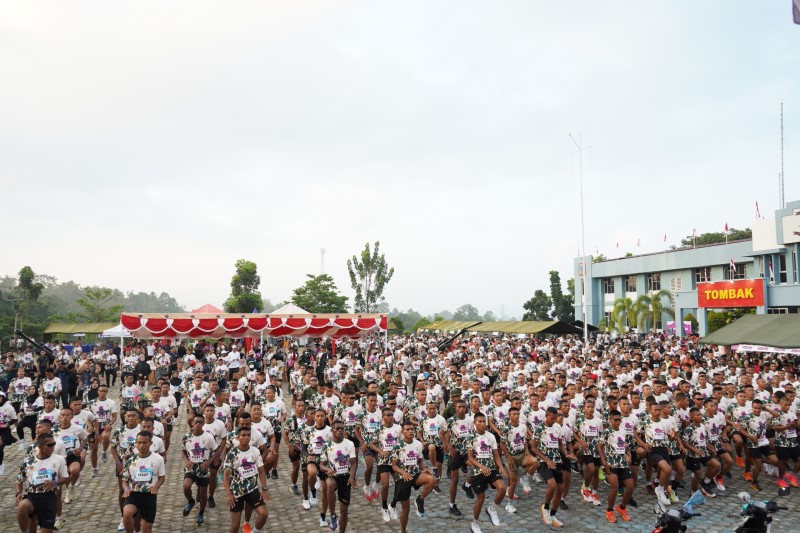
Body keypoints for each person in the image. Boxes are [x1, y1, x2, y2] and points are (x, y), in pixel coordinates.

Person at [15, 432, 69, 533]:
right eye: (50, 445)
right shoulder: (28, 462)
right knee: (22, 507)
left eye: (54, 444)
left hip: (49, 498)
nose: (53, 447)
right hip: (33, 496)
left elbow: (66, 478)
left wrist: (55, 482)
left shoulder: (59, 459)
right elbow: (19, 480)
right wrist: (18, 492)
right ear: (40, 446)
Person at [390, 421, 436, 533]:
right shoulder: (397, 446)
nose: (410, 431)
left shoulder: (418, 444)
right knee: (406, 507)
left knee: (432, 479)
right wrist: (403, 473)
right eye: (407, 429)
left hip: (415, 474)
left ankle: (420, 500)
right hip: (403, 477)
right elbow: (394, 466)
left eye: (412, 429)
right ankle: (403, 530)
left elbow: (419, 460)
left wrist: (423, 468)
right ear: (402, 432)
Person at [465, 412, 507, 533]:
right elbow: (470, 457)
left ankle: (492, 509)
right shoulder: (470, 437)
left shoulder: (491, 436)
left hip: (491, 468)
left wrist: (501, 467)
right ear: (474, 423)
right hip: (478, 471)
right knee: (481, 498)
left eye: (484, 421)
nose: (482, 424)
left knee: (502, 488)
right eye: (480, 421)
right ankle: (475, 523)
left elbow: (496, 455)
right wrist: (481, 467)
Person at [223, 426, 271, 533]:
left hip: (252, 490)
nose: (246, 438)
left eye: (248, 435)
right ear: (238, 437)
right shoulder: (231, 454)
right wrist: (228, 494)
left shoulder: (255, 451)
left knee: (264, 514)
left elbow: (262, 471)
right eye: (243, 435)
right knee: (235, 526)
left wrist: (264, 489)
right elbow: (226, 476)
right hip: (237, 492)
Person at [531, 406, 571, 528]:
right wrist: (546, 459)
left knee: (559, 489)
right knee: (552, 485)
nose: (553, 420)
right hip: (544, 461)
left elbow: (560, 444)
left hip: (556, 461)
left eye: (555, 418)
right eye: (552, 418)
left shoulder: (557, 427)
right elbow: (533, 447)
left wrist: (567, 453)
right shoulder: (539, 429)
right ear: (546, 416)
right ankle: (546, 507)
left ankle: (553, 514)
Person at [120, 431, 166, 533]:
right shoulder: (130, 461)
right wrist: (127, 489)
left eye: (145, 443)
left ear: (150, 443)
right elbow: (124, 480)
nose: (141, 445)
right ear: (135, 443)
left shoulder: (158, 459)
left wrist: (156, 487)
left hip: (149, 495)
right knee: (127, 513)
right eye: (139, 442)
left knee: (146, 529)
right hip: (134, 493)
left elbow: (162, 477)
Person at [320, 421, 358, 533]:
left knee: (344, 510)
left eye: (342, 428)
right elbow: (321, 464)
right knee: (330, 485)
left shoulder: (349, 444)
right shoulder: (326, 445)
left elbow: (354, 462)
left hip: (346, 476)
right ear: (332, 430)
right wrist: (328, 469)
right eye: (337, 428)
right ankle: (332, 515)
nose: (340, 430)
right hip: (333, 475)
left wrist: (351, 477)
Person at [597, 409, 634, 523]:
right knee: (615, 487)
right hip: (611, 463)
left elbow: (623, 444)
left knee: (631, 487)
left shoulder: (623, 431)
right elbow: (600, 446)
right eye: (615, 420)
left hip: (622, 463)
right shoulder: (606, 432)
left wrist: (628, 452)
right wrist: (604, 462)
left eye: (619, 420)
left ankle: (622, 508)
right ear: (610, 420)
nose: (618, 422)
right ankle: (609, 510)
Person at [182, 413, 217, 525]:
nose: (197, 424)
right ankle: (191, 501)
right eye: (195, 421)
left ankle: (201, 513)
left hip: (203, 468)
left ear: (203, 424)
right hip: (191, 466)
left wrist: (208, 463)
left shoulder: (209, 437)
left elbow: (215, 452)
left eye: (200, 422)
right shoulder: (186, 437)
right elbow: (183, 451)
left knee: (203, 494)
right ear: (192, 423)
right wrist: (187, 461)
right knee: (186, 486)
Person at [54, 406, 88, 504]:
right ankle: (66, 492)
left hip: (73, 455)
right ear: (59, 416)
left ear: (72, 416)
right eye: (63, 415)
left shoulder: (77, 428)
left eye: (67, 415)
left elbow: (85, 438)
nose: (65, 417)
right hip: (59, 457)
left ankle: (71, 487)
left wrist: (81, 448)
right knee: (64, 477)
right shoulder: (54, 430)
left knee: (75, 470)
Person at [0, 389, 19, 475]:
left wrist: (7, 424)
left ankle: (0, 465)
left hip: (4, 430)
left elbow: (14, 419)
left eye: (0, 397)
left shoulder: (8, 407)